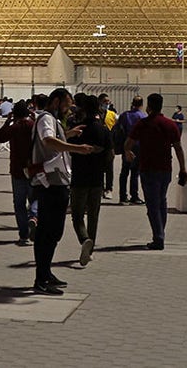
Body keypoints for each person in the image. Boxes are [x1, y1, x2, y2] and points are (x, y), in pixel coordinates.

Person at [30, 88, 101, 293]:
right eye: (67, 103)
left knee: (54, 232)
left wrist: (68, 134)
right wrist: (77, 148)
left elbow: (54, 141)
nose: (70, 108)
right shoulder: (47, 119)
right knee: (48, 232)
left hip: (58, 181)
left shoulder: (54, 121)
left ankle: (46, 273)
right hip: (50, 182)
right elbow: (48, 141)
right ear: (56, 101)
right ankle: (41, 278)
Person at [126, 92, 187, 250]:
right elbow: (179, 148)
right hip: (165, 168)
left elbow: (129, 142)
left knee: (152, 205)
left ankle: (158, 237)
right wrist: (183, 168)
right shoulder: (170, 124)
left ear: (148, 106)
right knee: (161, 202)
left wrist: (128, 151)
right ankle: (160, 233)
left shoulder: (143, 124)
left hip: (148, 168)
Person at [69, 93, 111, 266]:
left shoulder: (78, 129)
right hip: (96, 179)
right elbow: (110, 155)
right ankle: (90, 248)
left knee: (77, 215)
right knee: (94, 215)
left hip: (79, 177)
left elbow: (68, 149)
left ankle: (84, 239)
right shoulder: (103, 130)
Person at [0, 100, 37, 245]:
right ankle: (33, 215)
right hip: (33, 168)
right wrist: (34, 118)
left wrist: (8, 122)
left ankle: (23, 235)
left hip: (17, 169)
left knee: (19, 204)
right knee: (36, 198)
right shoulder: (34, 126)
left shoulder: (14, 127)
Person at [116, 96, 147, 205]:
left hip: (126, 145)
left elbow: (118, 130)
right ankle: (134, 195)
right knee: (135, 172)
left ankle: (123, 196)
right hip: (139, 147)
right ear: (142, 104)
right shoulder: (143, 116)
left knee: (124, 172)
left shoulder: (125, 115)